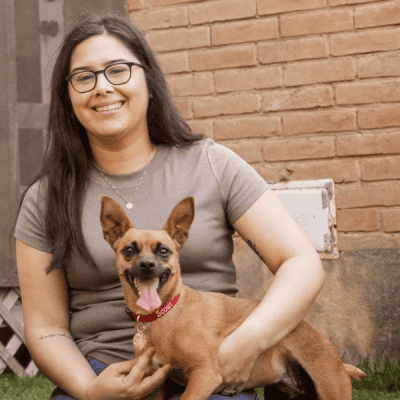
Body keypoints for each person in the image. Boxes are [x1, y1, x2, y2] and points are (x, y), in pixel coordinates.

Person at [14, 12, 325, 400]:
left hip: (211, 371)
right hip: (104, 371)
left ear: (149, 80)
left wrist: (247, 341)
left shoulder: (211, 164)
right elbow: (45, 326)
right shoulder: (46, 197)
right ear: (68, 96)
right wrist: (89, 389)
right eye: (84, 77)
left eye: (118, 70)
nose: (103, 87)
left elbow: (300, 261)